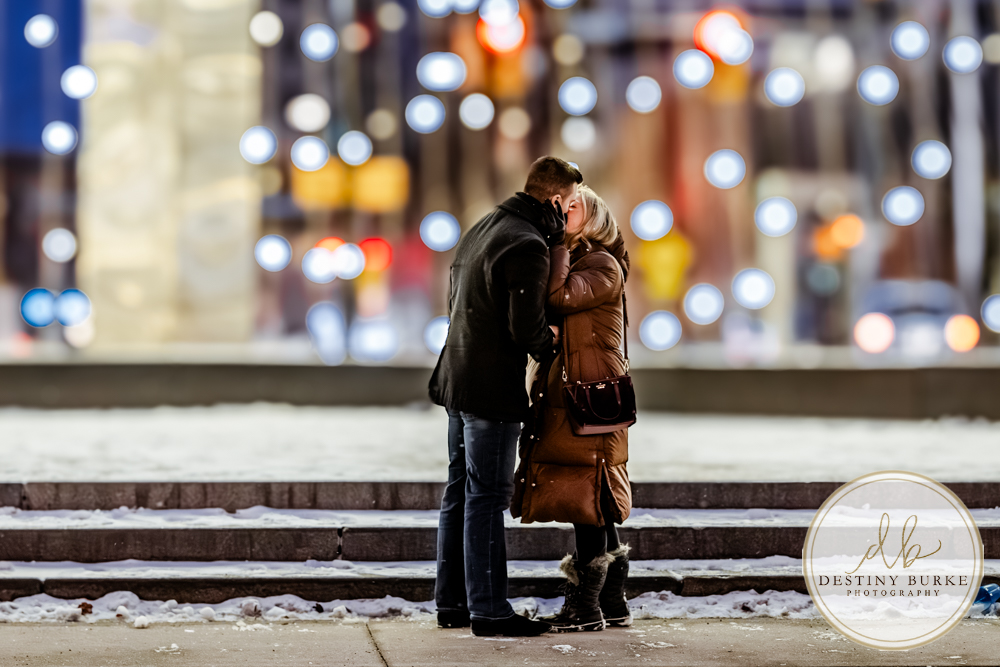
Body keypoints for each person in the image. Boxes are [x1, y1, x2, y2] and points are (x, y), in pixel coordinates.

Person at [428, 156, 584, 637]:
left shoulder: (484, 227)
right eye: (572, 204)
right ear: (555, 201)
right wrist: (553, 344)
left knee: (460, 492)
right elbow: (525, 328)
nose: (573, 213)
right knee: (487, 498)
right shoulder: (527, 243)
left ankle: (452, 603)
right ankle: (491, 611)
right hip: (491, 389)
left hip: (457, 378)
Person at [510, 184, 633, 632]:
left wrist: (557, 241)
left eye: (573, 205)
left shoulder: (600, 263)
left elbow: (556, 298)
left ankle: (584, 608)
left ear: (595, 216)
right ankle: (613, 600)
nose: (563, 210)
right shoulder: (577, 261)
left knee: (588, 500)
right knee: (595, 497)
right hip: (577, 396)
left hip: (591, 398)